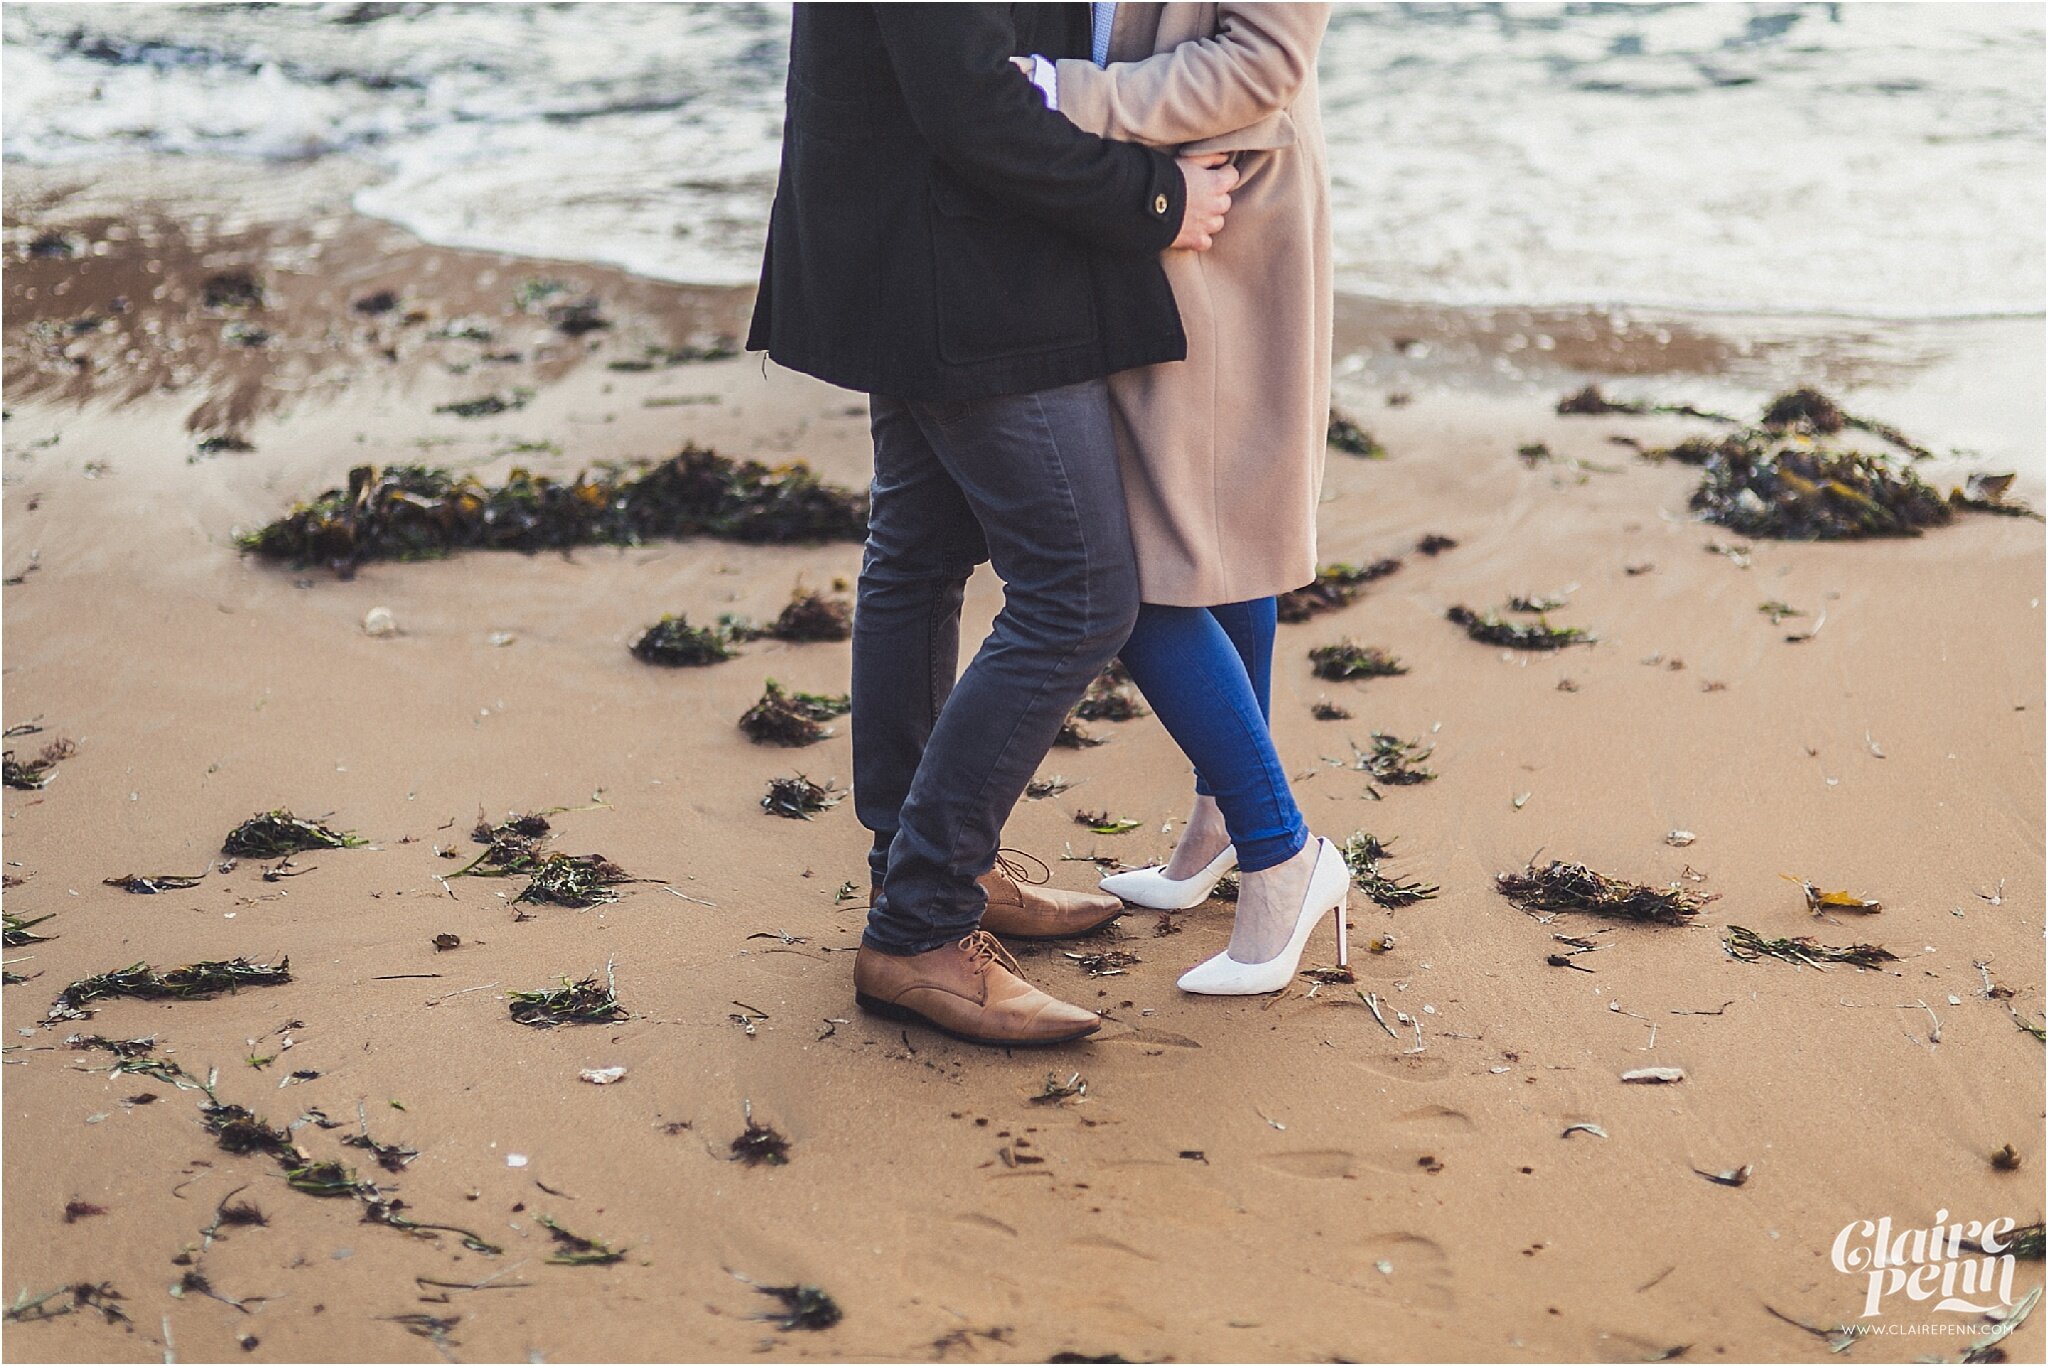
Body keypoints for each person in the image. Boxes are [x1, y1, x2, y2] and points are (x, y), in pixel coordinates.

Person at [746, 4, 1240, 1043]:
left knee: (917, 558)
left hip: (913, 246)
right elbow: (969, 103)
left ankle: (931, 871)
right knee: (1079, 592)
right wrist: (1153, 198)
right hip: (958, 265)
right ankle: (920, 923)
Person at [1023, 3, 1345, 994]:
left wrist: (1062, 97)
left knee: (1141, 568)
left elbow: (1264, 57)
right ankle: (1217, 818)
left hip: (1224, 221)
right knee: (1215, 529)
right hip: (1138, 210)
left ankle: (1279, 851)